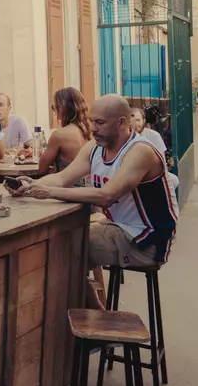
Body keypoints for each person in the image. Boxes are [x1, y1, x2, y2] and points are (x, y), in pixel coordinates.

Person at [9, 95, 179, 305]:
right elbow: (62, 177)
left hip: (146, 239)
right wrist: (31, 186)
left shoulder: (140, 152)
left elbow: (108, 195)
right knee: (59, 243)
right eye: (91, 121)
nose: (93, 128)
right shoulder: (95, 147)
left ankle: (90, 319)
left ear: (122, 122)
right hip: (118, 227)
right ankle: (89, 317)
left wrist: (49, 192)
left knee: (63, 248)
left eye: (100, 123)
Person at [37, 87, 91, 179]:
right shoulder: (87, 130)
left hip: (68, 186)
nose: (54, 112)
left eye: (54, 107)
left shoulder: (59, 135)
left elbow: (42, 169)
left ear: (61, 109)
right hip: (88, 184)